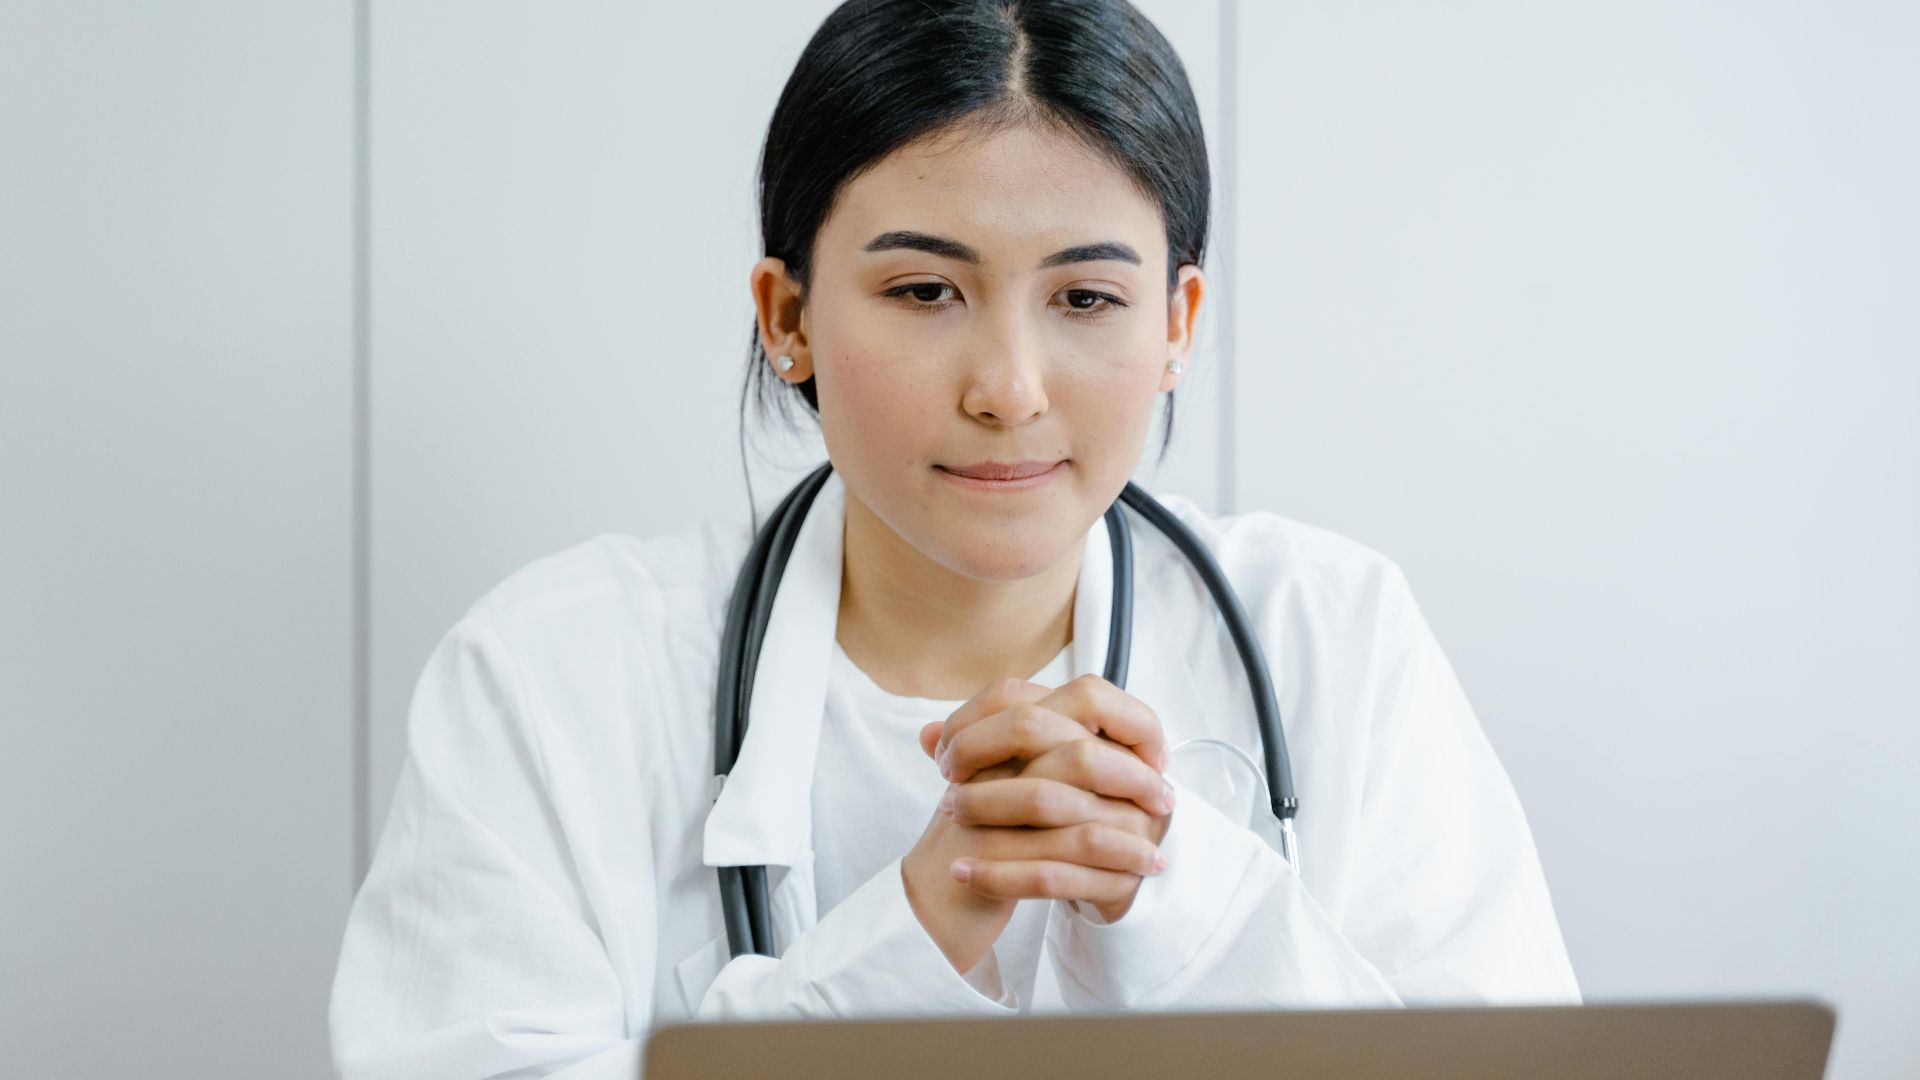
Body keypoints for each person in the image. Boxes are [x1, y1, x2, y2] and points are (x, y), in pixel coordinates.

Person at [328, 0, 1581, 1075]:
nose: (1010, 387)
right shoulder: (554, 677)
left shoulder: (1332, 635)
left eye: (1088, 297)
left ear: (1178, 322)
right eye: (925, 291)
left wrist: (1181, 890)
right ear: (790, 316)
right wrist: (907, 943)